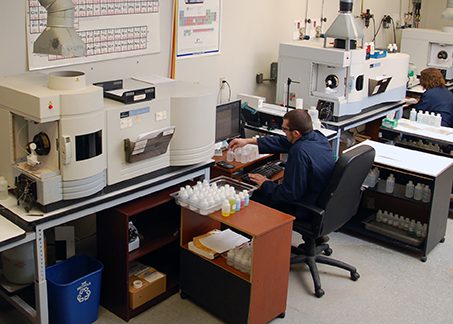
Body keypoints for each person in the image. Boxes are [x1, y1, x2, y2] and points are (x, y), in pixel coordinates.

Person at [229, 109, 335, 221]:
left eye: (284, 129)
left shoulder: (299, 152)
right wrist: (249, 141)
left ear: (296, 133)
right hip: (320, 200)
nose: (283, 131)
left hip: (303, 206)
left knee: (254, 196)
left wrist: (266, 183)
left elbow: (289, 194)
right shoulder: (318, 137)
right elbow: (283, 141)